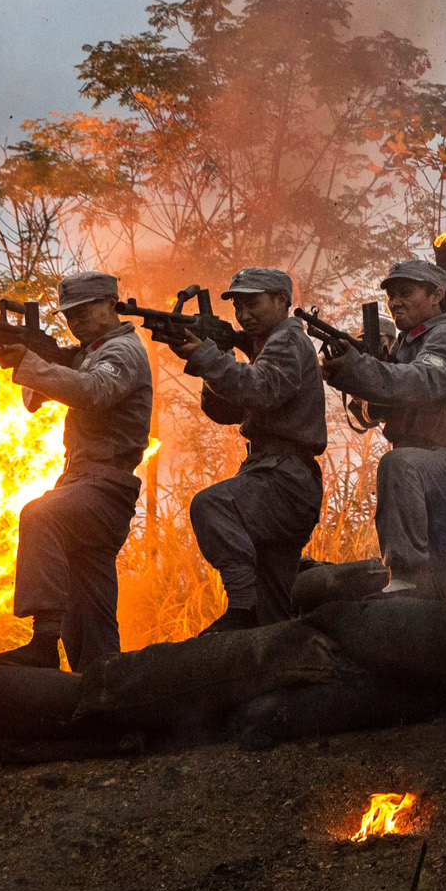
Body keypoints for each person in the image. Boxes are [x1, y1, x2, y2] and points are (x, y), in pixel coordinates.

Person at [0, 271, 153, 671]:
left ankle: (44, 640)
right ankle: (103, 687)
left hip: (105, 485)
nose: (74, 320)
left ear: (111, 305)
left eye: (83, 311)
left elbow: (93, 392)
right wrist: (34, 357)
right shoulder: (87, 354)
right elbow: (34, 401)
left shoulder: (122, 351)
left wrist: (32, 362)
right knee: (88, 615)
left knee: (40, 514)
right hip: (83, 482)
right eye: (69, 314)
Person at [162, 267, 327, 630]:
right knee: (273, 609)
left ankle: (240, 607)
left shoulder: (286, 341)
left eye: (253, 304)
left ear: (282, 300)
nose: (243, 314)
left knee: (212, 505)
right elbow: (227, 412)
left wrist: (210, 358)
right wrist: (212, 358)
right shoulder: (265, 346)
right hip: (275, 474)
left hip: (285, 478)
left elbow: (262, 389)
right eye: (238, 306)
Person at [323, 259, 446, 600]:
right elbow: (370, 413)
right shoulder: (405, 345)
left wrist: (359, 369)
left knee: (398, 464)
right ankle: (426, 605)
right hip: (426, 468)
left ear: (436, 295)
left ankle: (404, 576)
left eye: (406, 293)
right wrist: (355, 375)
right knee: (433, 575)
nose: (395, 302)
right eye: (392, 296)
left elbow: (425, 380)